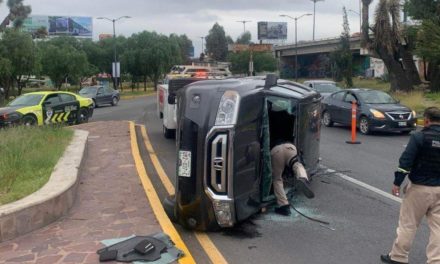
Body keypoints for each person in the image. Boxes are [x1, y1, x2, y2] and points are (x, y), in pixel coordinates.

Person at [381, 107, 440, 264]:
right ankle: (435, 260)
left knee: (408, 224)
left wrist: (397, 182)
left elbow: (406, 162)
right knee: (438, 228)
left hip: (419, 188)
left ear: (426, 120)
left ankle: (398, 257)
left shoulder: (419, 137)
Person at [271, 142, 315, 216]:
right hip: (290, 147)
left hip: (275, 152)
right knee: (296, 164)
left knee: (277, 179)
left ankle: (284, 206)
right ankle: (303, 178)